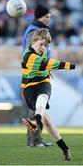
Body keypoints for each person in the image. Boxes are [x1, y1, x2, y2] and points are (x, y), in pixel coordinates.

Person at [21, 29, 75, 161]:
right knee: (48, 123)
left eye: (45, 45)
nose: (43, 48)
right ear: (33, 41)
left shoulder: (42, 50)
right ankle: (65, 149)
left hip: (43, 83)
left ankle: (35, 120)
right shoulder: (29, 57)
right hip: (29, 89)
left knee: (43, 98)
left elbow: (47, 65)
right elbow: (51, 64)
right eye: (41, 44)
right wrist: (72, 66)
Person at [22, 4, 52, 147]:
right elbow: (30, 54)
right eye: (47, 17)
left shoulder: (37, 30)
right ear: (40, 17)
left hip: (39, 74)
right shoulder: (34, 32)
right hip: (34, 75)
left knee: (37, 107)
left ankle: (34, 140)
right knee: (36, 107)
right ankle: (35, 141)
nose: (49, 20)